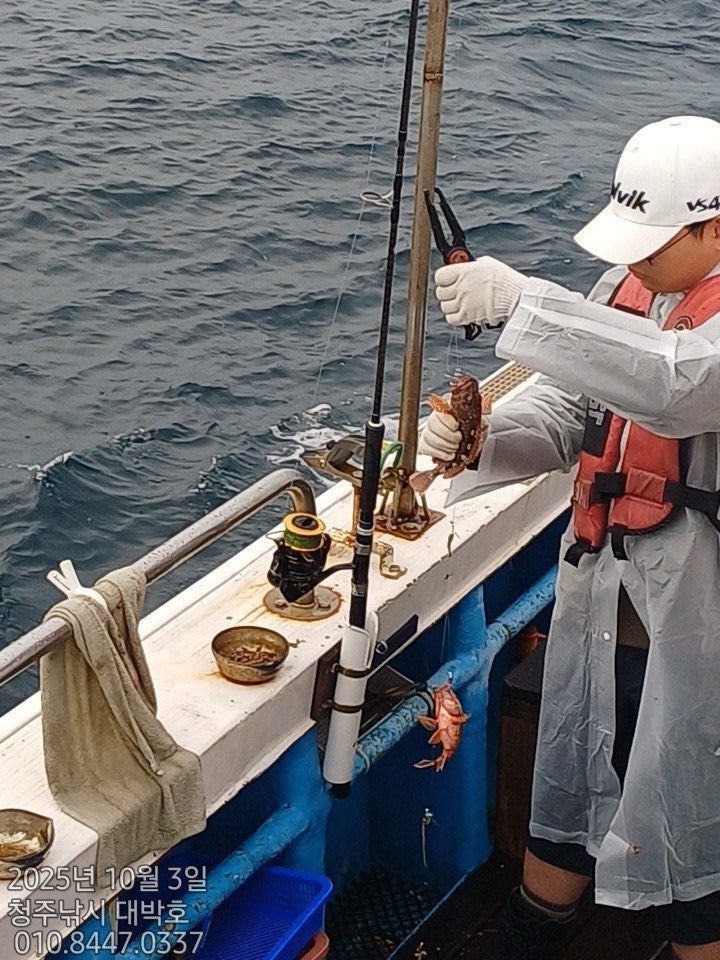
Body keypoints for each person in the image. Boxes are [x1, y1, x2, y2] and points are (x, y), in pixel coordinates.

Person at [418, 115, 720, 960]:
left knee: (697, 829)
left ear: (714, 225)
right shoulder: (627, 290)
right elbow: (567, 412)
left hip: (699, 632)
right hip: (603, 608)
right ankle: (531, 930)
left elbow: (675, 383)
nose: (637, 260)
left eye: (655, 242)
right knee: (572, 783)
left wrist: (521, 302)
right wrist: (477, 438)